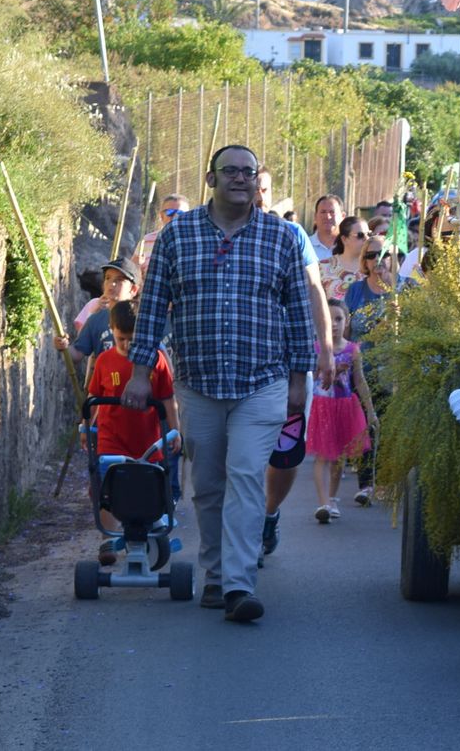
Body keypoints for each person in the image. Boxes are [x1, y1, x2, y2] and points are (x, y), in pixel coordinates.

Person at [124, 144, 316, 623]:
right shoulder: (177, 236)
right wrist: (141, 373)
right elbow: (152, 309)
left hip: (262, 381)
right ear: (210, 179)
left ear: (257, 181)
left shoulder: (282, 237)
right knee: (208, 485)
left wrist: (300, 378)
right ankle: (214, 574)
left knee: (248, 478)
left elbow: (299, 313)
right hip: (200, 382)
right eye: (229, 171)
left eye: (247, 172)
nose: (239, 179)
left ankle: (238, 584)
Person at [254, 166, 335, 561]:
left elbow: (314, 289)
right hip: (237, 364)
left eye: (263, 188)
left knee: (285, 453)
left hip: (288, 363)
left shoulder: (291, 235)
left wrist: (326, 348)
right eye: (251, 185)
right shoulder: (212, 232)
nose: (257, 194)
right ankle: (240, 526)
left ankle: (268, 513)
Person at [85, 299, 178, 565]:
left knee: (148, 487)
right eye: (121, 339)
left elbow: (168, 398)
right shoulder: (104, 361)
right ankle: (108, 541)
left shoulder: (157, 361)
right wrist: (86, 427)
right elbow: (95, 397)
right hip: (111, 437)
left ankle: (150, 527)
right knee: (108, 487)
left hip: (149, 440)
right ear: (112, 331)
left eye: (132, 340)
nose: (126, 345)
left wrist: (176, 431)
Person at [343, 235, 404, 505]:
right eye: (371, 255)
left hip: (396, 372)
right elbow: (345, 330)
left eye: (383, 255)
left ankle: (388, 481)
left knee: (391, 427)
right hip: (362, 370)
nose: (377, 261)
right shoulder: (355, 291)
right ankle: (366, 483)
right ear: (364, 260)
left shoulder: (407, 289)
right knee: (366, 425)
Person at [307, 300, 375, 524]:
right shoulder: (316, 348)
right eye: (329, 319)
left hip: (345, 406)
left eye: (339, 319)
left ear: (347, 322)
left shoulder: (352, 350)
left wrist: (371, 411)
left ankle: (332, 498)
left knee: (339, 457)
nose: (334, 324)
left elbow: (360, 382)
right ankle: (323, 502)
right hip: (322, 407)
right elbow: (312, 379)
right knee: (323, 455)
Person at [59, 258, 141, 373]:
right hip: (105, 387)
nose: (112, 284)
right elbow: (77, 354)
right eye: (108, 278)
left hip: (136, 386)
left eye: (119, 280)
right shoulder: (95, 318)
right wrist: (64, 347)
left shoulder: (141, 320)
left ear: (133, 289)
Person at [132, 193, 189, 278]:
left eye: (180, 213)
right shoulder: (147, 241)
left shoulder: (195, 241)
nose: (175, 217)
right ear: (161, 216)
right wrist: (135, 267)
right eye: (170, 213)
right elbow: (133, 273)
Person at [320, 215, 370, 301]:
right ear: (344, 239)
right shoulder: (323, 266)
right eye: (360, 235)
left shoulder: (373, 266)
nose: (367, 238)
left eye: (369, 234)